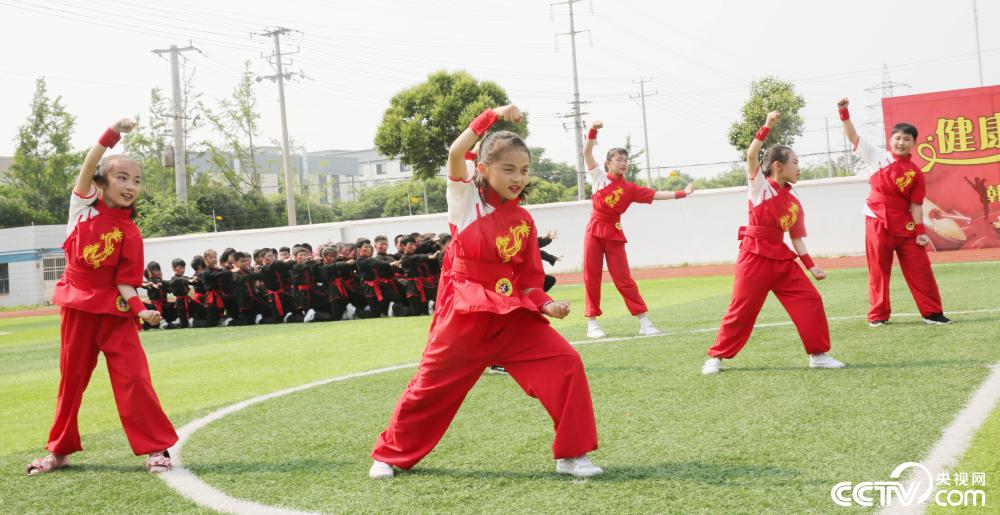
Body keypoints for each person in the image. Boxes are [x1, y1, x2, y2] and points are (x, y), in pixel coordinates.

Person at [370, 104, 600, 479]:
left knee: (566, 363)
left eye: (524, 170)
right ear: (483, 169)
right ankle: (389, 455)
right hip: (465, 315)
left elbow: (529, 278)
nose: (518, 178)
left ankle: (573, 455)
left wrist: (547, 304)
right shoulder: (465, 201)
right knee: (429, 386)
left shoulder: (523, 220)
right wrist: (491, 115)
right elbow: (455, 152)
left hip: (511, 317)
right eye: (508, 169)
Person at [27, 118, 177, 475]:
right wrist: (112, 134)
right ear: (101, 182)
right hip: (78, 307)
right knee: (71, 382)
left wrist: (142, 311)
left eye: (136, 180)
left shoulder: (131, 232)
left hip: (115, 312)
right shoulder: (82, 208)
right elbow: (88, 164)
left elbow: (126, 283)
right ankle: (59, 451)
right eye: (122, 178)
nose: (130, 186)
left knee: (134, 378)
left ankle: (157, 448)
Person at [702, 112, 845, 375]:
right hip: (754, 255)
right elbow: (751, 155)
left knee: (810, 299)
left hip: (781, 258)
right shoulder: (760, 187)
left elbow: (796, 237)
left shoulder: (793, 201)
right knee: (741, 310)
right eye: (795, 162)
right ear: (778, 165)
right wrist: (767, 126)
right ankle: (716, 356)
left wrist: (811, 267)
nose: (799, 168)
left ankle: (818, 355)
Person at [837, 98, 950, 326]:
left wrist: (920, 232)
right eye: (898, 138)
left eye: (907, 139)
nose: (901, 142)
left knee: (921, 269)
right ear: (891, 140)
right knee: (878, 271)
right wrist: (843, 112)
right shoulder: (877, 156)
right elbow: (852, 136)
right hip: (877, 221)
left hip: (906, 226)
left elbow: (916, 204)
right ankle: (878, 315)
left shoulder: (915, 173)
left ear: (914, 143)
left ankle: (932, 313)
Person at [582, 120, 695, 338]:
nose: (623, 163)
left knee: (624, 279)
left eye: (626, 160)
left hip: (613, 233)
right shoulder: (598, 177)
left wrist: (683, 193)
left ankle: (644, 322)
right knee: (591, 276)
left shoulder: (630, 188)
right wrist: (593, 131)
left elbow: (655, 195)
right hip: (594, 230)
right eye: (619, 159)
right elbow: (587, 151)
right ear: (608, 164)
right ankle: (592, 324)